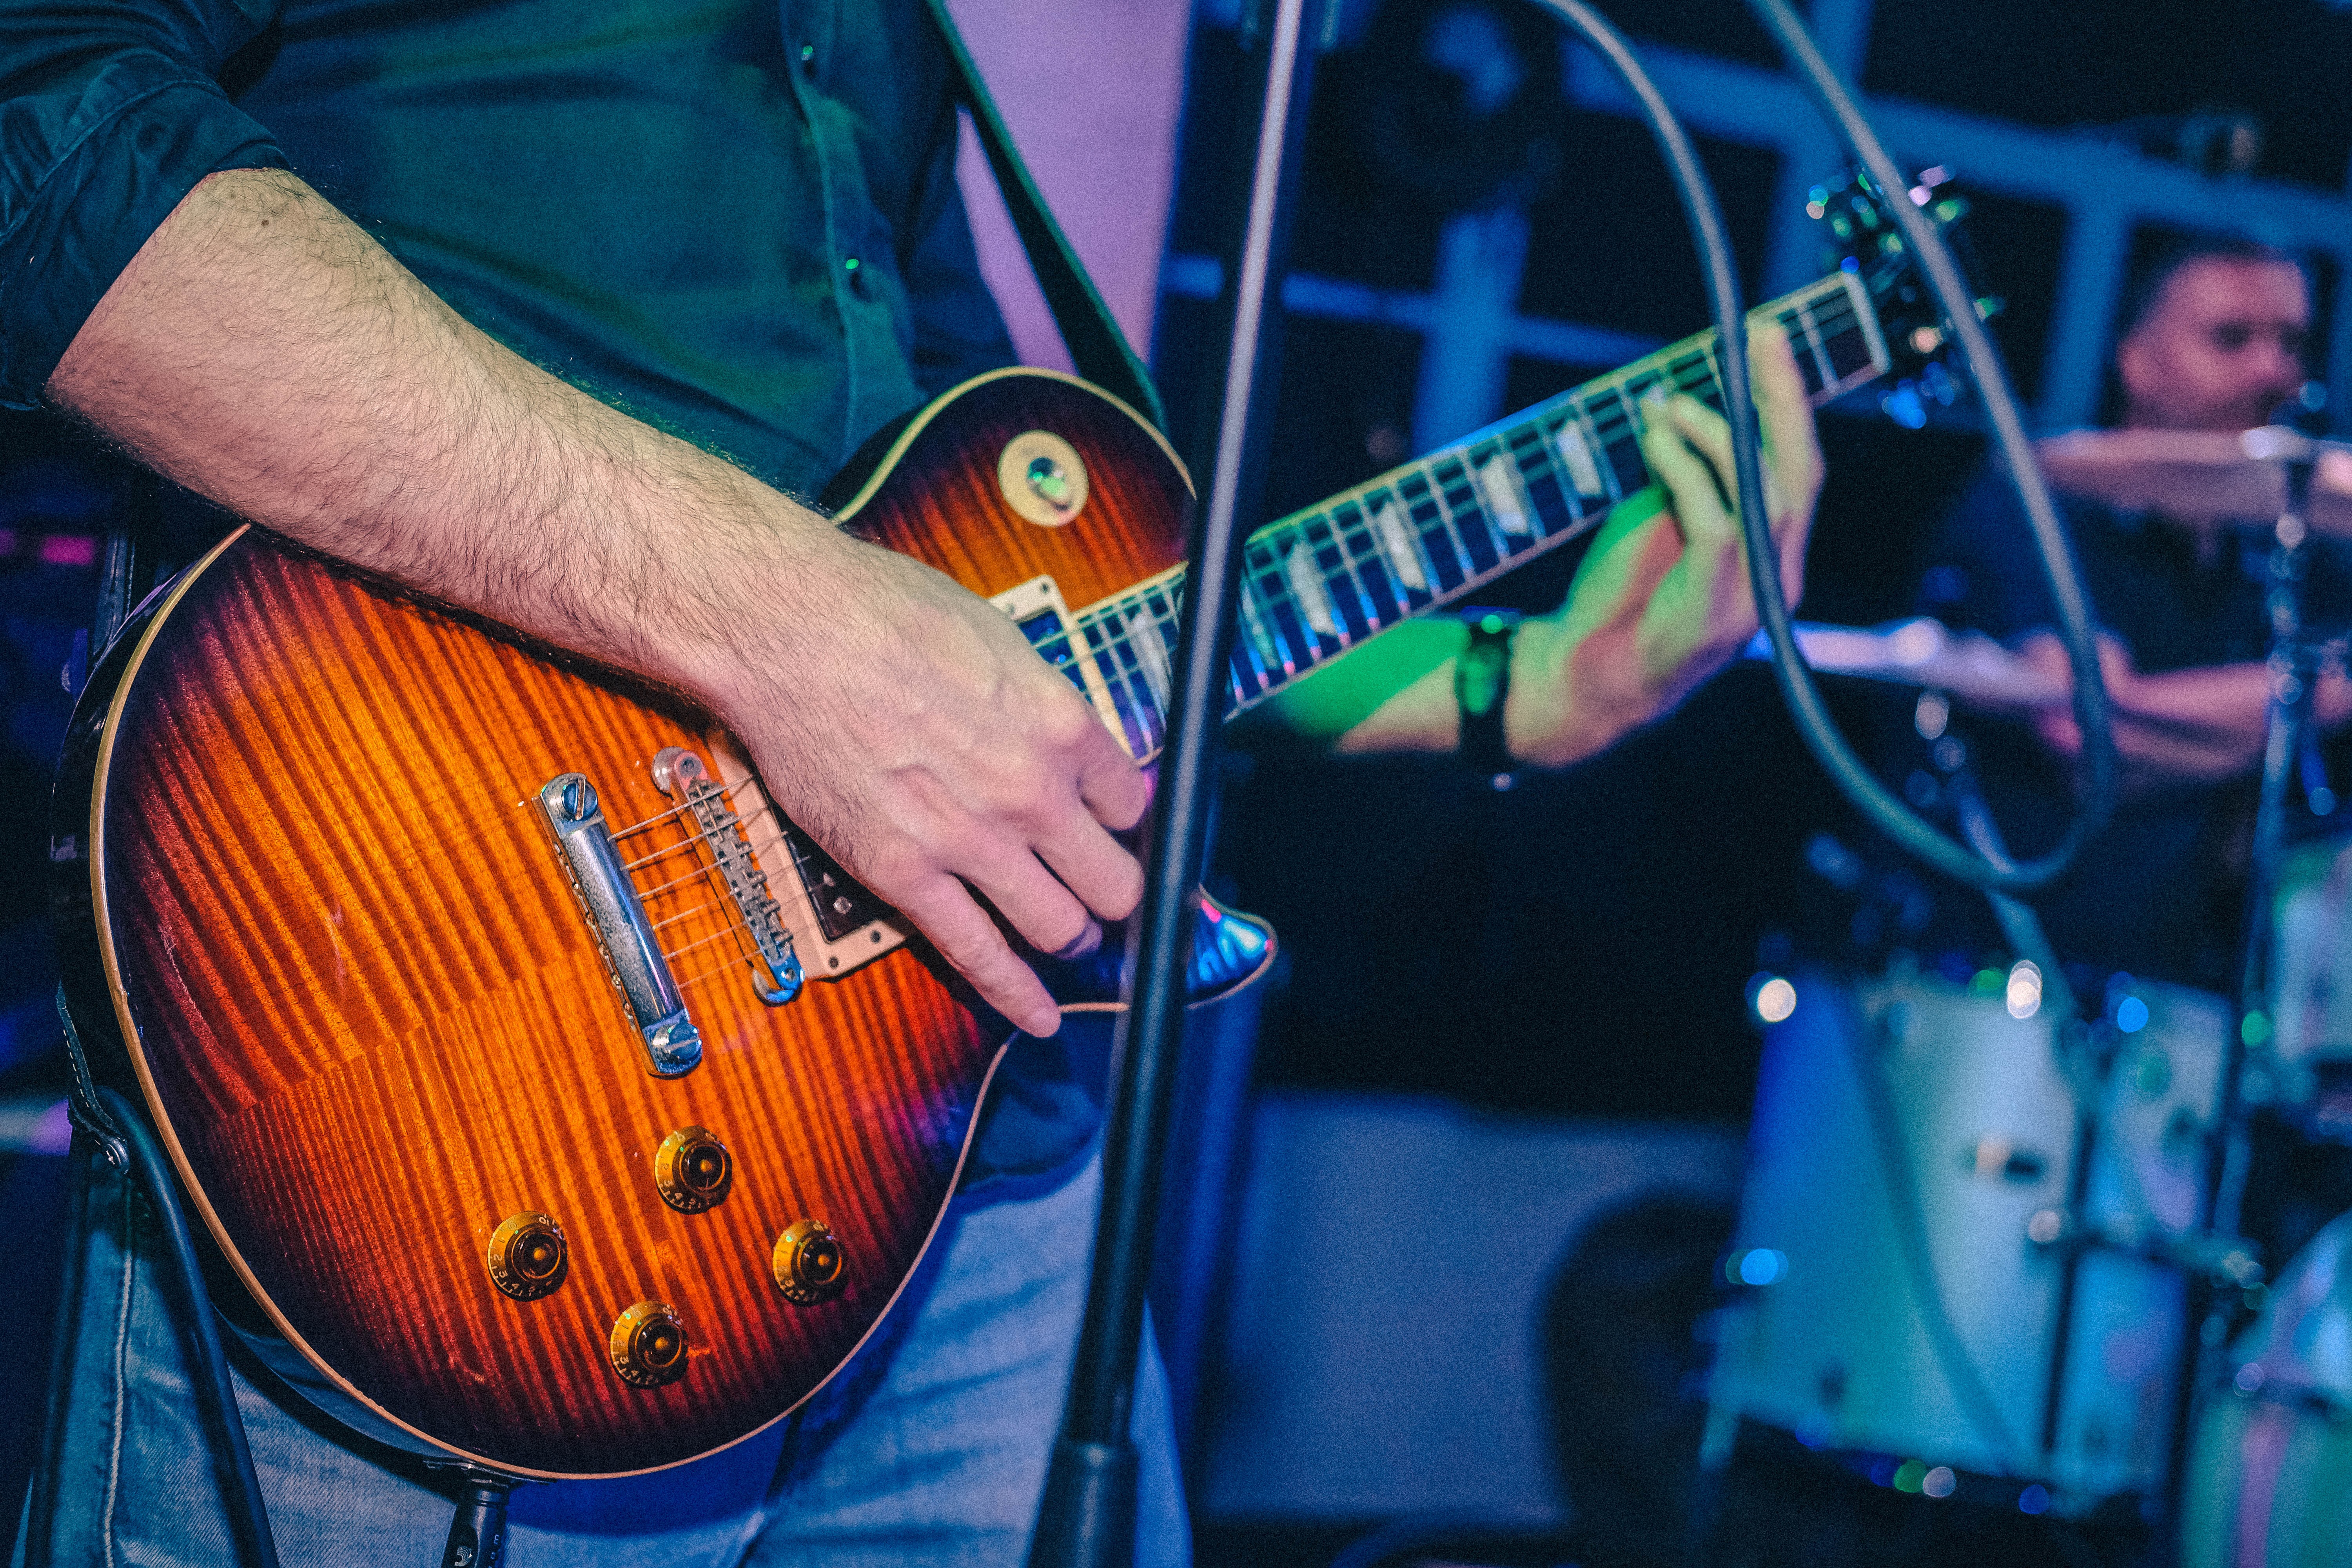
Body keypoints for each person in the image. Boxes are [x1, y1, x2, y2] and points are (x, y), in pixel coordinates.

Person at [0, 2, 1823, 1563]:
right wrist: (772, 619)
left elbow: (1054, 594)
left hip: (974, 1171)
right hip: (447, 1066)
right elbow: (43, 125)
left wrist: (1519, 686)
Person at [1905, 237, 2350, 993]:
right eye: (2231, 338)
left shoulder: (2283, 558)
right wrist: (2327, 697)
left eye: (2293, 344)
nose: (2276, 373)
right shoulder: (2041, 506)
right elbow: (2092, 740)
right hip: (1980, 986)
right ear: (2134, 357)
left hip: (2186, 1000)